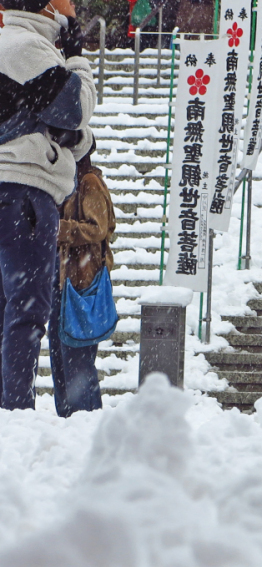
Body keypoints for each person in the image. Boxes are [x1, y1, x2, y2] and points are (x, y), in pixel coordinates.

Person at [0, 0, 96, 410]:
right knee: (26, 310)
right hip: (22, 190)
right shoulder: (26, 48)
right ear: (46, 8)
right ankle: (15, 412)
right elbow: (78, 109)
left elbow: (65, 127)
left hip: (14, 188)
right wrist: (77, 55)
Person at [50, 147, 112, 417]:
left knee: (78, 360)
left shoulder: (88, 182)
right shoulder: (65, 183)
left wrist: (63, 228)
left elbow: (99, 228)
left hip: (81, 282)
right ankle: (67, 419)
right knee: (61, 358)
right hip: (62, 280)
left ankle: (85, 419)